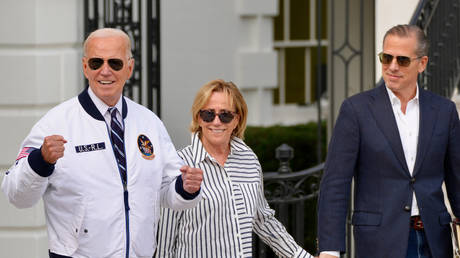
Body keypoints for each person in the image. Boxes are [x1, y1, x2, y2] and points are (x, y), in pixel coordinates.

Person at [2, 28, 203, 258]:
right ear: (85, 66)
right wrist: (40, 161)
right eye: (97, 62)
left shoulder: (149, 122)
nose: (105, 71)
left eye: (115, 63)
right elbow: (16, 195)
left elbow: (165, 191)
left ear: (129, 68)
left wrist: (186, 188)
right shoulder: (56, 123)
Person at [317, 24, 460, 258]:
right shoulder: (356, 110)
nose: (392, 66)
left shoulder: (444, 111)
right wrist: (329, 249)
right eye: (386, 57)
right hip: (379, 243)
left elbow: (457, 181)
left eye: (402, 60)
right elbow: (335, 183)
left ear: (422, 64)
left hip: (435, 241)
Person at [155, 79, 314, 258]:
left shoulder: (249, 160)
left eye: (225, 115)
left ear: (237, 119)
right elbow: (165, 242)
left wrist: (302, 256)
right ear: (198, 118)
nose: (216, 122)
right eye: (208, 114)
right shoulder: (181, 164)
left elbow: (263, 220)